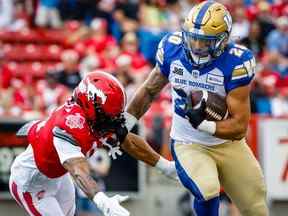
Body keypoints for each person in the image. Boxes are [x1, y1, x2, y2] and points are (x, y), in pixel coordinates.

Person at [123, 1, 268, 215]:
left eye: (205, 42)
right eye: (194, 38)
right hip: (188, 142)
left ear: (223, 40)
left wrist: (205, 124)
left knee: (256, 207)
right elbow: (149, 90)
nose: (197, 46)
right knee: (207, 189)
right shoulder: (172, 48)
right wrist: (125, 122)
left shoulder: (237, 62)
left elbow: (239, 127)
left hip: (228, 143)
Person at [9, 71, 176, 216]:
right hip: (31, 181)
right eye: (108, 115)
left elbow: (127, 139)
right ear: (89, 104)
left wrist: (165, 166)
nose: (113, 120)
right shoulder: (69, 125)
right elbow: (78, 169)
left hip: (58, 176)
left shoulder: (98, 117)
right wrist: (102, 200)